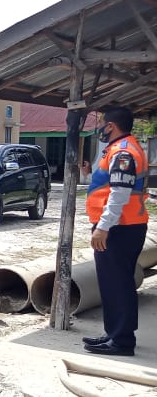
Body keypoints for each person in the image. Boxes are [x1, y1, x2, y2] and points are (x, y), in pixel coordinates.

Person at [83, 106, 149, 357]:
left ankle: (121, 340)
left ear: (111, 125)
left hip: (120, 227)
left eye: (102, 122)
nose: (100, 127)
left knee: (118, 283)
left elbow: (119, 194)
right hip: (122, 225)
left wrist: (102, 227)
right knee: (113, 283)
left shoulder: (123, 152)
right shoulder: (120, 149)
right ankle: (114, 334)